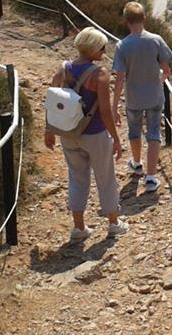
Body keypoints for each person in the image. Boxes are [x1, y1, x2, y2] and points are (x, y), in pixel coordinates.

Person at [44, 27, 129, 241]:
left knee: (77, 178)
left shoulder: (63, 69)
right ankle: (113, 223)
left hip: (68, 133)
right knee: (106, 178)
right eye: (102, 47)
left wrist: (49, 130)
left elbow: (52, 102)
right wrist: (116, 139)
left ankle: (79, 228)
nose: (104, 50)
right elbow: (105, 110)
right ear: (93, 49)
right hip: (95, 135)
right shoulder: (99, 73)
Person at [112, 1, 172, 193]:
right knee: (154, 134)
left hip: (133, 98)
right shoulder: (156, 40)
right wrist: (159, 81)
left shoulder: (122, 46)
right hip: (155, 96)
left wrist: (114, 106)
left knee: (134, 132)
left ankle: (137, 163)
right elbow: (166, 70)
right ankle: (151, 177)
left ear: (126, 21)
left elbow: (120, 79)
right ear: (144, 18)